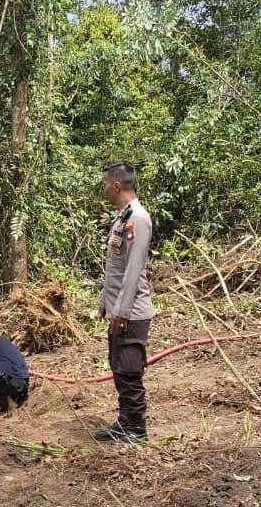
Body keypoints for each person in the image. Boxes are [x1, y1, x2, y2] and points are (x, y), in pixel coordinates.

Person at [94, 161, 155, 444]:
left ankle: (137, 430)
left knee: (129, 370)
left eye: (106, 185)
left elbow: (134, 269)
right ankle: (124, 422)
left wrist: (122, 310)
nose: (104, 190)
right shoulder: (123, 217)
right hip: (119, 309)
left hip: (131, 312)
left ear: (117, 186)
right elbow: (115, 268)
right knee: (118, 367)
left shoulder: (138, 218)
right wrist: (105, 302)